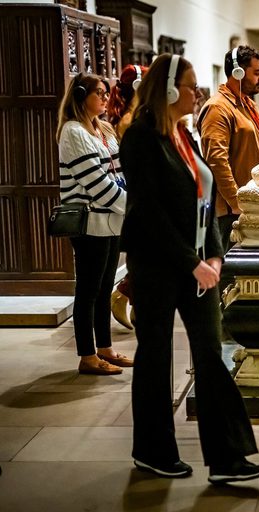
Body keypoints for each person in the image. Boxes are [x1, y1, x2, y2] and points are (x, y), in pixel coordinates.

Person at [120, 54, 259, 484]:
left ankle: (227, 458)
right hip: (159, 265)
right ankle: (152, 451)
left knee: (210, 354)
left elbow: (205, 199)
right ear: (166, 89)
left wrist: (217, 253)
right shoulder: (141, 139)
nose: (196, 92)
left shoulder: (183, 134)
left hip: (198, 263)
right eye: (189, 85)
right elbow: (148, 214)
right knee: (155, 356)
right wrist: (192, 263)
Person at [56, 73, 132, 375]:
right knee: (88, 290)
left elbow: (119, 174)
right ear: (80, 95)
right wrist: (132, 206)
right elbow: (94, 182)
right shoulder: (73, 131)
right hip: (89, 223)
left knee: (104, 288)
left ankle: (105, 348)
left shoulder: (103, 128)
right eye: (98, 93)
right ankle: (87, 355)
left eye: (106, 92)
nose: (104, 98)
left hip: (111, 220)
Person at [198, 45, 259, 251]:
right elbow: (217, 161)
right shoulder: (217, 108)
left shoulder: (245, 104)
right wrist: (237, 202)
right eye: (256, 73)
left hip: (251, 205)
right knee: (228, 276)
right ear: (238, 72)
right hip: (232, 212)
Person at [106, 64, 148, 330]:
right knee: (146, 256)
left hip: (141, 194)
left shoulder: (137, 116)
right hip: (138, 196)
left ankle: (134, 305)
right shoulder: (130, 121)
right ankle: (123, 294)